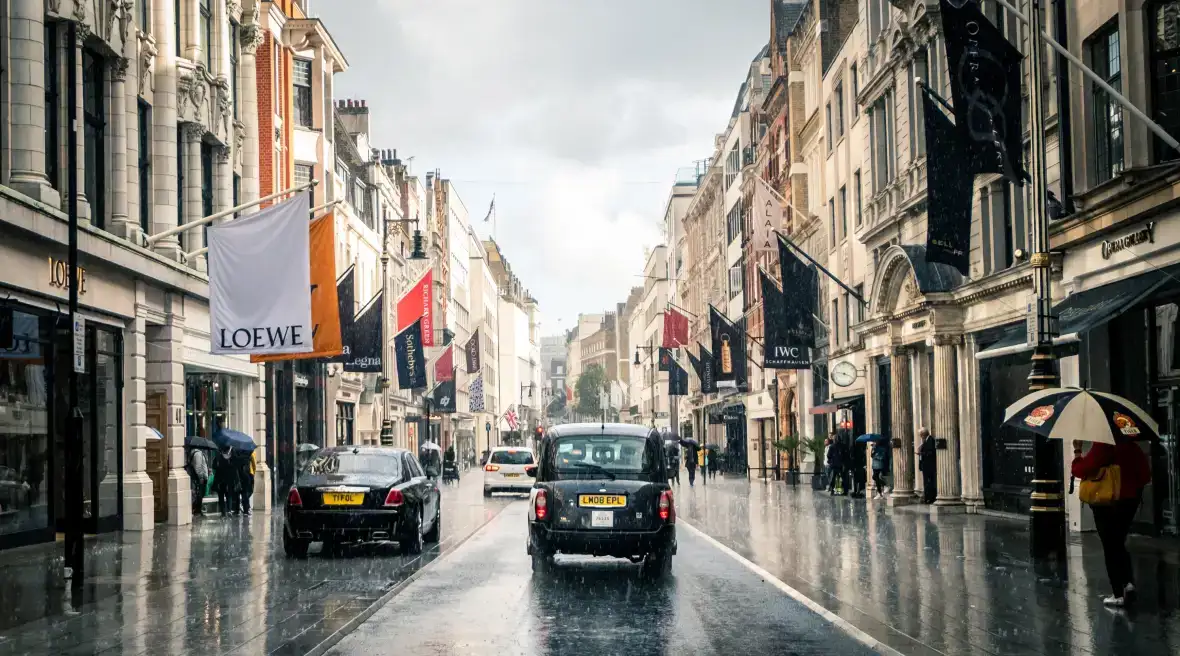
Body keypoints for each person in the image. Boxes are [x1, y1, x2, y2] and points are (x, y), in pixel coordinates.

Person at [1072, 438, 1152, 607]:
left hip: (1107, 504)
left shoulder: (1104, 445)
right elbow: (1145, 475)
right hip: (1130, 502)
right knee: (1118, 543)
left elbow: (1079, 470)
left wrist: (1078, 452)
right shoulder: (1132, 447)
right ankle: (1128, 584)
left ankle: (1118, 594)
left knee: (1110, 547)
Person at [213, 446, 240, 516]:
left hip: (220, 480)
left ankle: (223, 512)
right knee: (229, 495)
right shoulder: (232, 457)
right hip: (228, 480)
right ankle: (229, 510)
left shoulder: (218, 457)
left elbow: (214, 466)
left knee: (221, 496)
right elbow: (235, 469)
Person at [186, 447, 210, 517]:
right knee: (199, 494)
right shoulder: (198, 454)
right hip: (199, 478)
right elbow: (198, 467)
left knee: (199, 494)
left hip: (199, 477)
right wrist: (201, 477)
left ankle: (197, 510)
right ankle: (197, 510)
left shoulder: (197, 453)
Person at [918, 428, 937, 504]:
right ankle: (927, 498)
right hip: (926, 465)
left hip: (929, 465)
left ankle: (929, 498)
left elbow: (931, 453)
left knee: (929, 482)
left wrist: (921, 453)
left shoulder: (930, 440)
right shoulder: (926, 440)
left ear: (923, 434)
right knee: (927, 482)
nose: (920, 436)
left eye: (920, 435)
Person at [237, 448, 256, 516]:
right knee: (247, 492)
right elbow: (254, 465)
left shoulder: (237, 455)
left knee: (240, 493)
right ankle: (246, 509)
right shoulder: (249, 455)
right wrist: (254, 472)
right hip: (247, 475)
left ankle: (240, 508)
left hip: (239, 475)